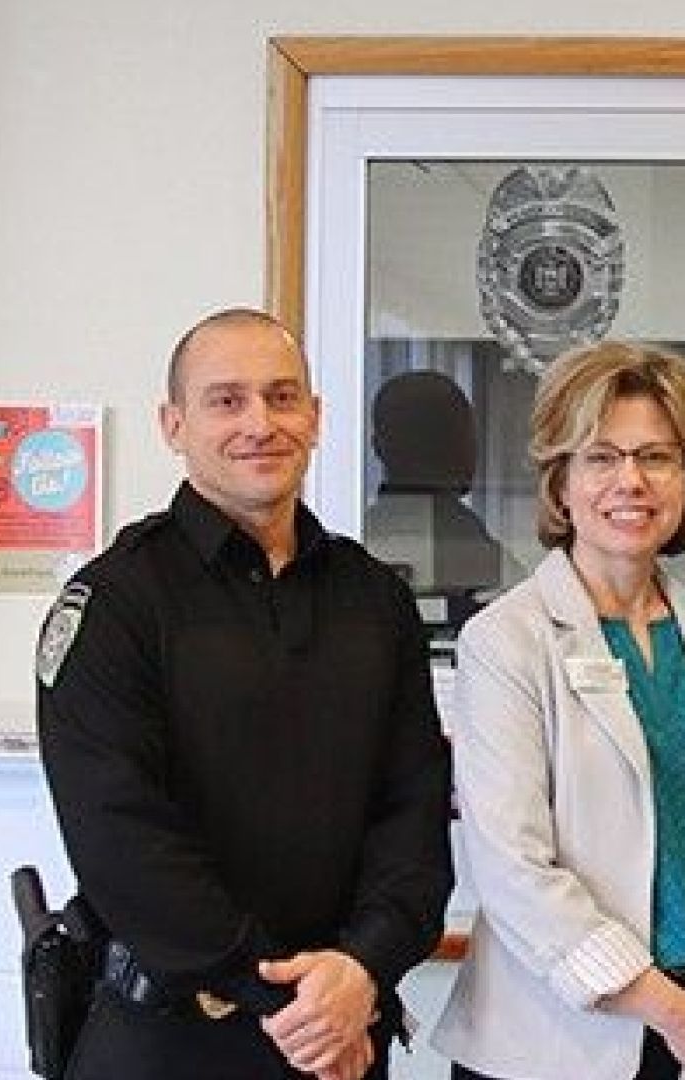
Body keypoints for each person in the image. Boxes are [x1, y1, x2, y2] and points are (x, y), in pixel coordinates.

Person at [35, 308, 454, 1080]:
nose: (260, 423)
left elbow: (413, 812)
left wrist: (362, 968)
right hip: (172, 1040)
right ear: (174, 424)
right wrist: (289, 1003)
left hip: (340, 1029)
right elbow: (120, 836)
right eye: (226, 400)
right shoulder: (114, 603)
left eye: (282, 396)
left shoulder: (375, 600)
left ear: (317, 417)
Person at [431, 341, 685, 1080]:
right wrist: (677, 1014)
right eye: (600, 456)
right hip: (554, 1044)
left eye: (657, 457)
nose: (630, 481)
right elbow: (515, 872)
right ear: (560, 484)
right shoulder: (506, 640)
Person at [363, 370, 522, 614]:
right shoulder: (475, 551)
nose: (471, 448)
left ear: (378, 447)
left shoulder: (356, 536)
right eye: (461, 434)